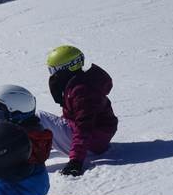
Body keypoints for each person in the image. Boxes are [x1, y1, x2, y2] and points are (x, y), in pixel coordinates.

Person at [39, 45, 117, 177]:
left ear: (67, 68)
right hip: (96, 139)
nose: (53, 75)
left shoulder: (82, 92)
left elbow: (84, 127)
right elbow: (73, 119)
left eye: (54, 70)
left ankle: (24, 155)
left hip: (92, 143)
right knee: (44, 120)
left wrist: (76, 160)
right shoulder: (77, 84)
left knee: (37, 117)